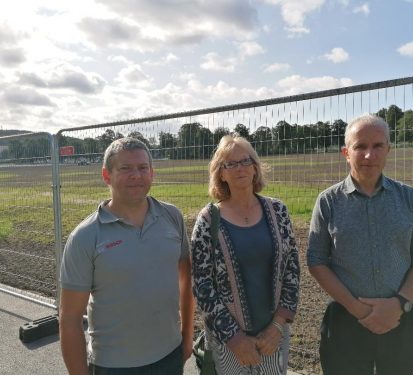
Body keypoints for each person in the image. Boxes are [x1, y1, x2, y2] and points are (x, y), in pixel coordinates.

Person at [307, 114, 413, 375]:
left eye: (378, 146)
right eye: (360, 147)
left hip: (401, 316)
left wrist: (398, 304)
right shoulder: (328, 202)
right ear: (346, 152)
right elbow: (317, 261)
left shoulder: (409, 198)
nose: (369, 155)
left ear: (388, 149)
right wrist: (359, 309)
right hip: (346, 321)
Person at [59, 137, 194, 375]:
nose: (136, 175)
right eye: (125, 168)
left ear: (152, 173)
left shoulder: (172, 217)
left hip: (170, 357)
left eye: (143, 168)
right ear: (106, 175)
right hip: (112, 366)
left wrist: (186, 338)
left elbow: (186, 279)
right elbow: (69, 320)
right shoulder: (85, 236)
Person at [191, 134, 300, 374]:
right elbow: (202, 285)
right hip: (227, 341)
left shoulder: (278, 211)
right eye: (230, 164)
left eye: (245, 161)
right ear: (221, 173)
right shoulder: (208, 220)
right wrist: (234, 338)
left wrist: (279, 325)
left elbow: (292, 269)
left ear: (255, 167)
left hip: (274, 336)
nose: (239, 168)